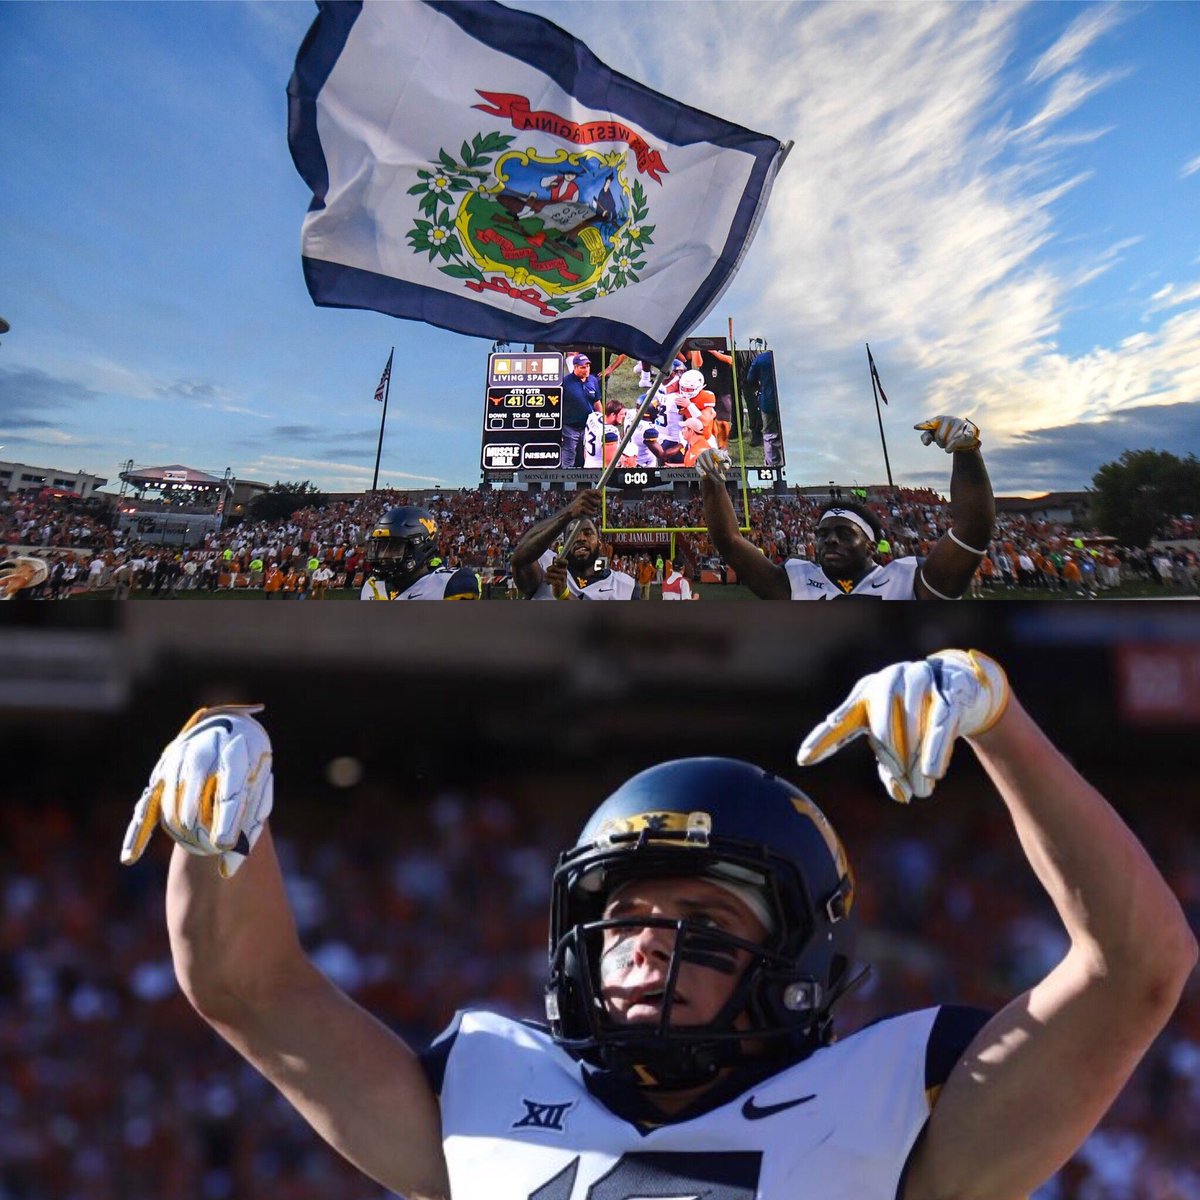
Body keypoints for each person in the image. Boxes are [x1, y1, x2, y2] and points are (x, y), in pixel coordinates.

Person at [119, 649, 1196, 1200]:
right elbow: (247, 988)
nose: (646, 936)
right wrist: (223, 830)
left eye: (703, 913)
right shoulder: (482, 1092)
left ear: (796, 953)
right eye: (626, 909)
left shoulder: (902, 1108)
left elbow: (1140, 967)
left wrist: (999, 722)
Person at [697, 415, 995, 599]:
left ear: (871, 544)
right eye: (823, 533)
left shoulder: (909, 580)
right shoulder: (795, 581)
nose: (831, 540)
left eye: (844, 532)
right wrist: (712, 481)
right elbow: (730, 542)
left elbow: (972, 532)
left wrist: (966, 452)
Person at [510, 488, 638, 600]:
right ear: (564, 544)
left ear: (600, 544)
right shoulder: (546, 565)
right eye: (573, 534)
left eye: (588, 533)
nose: (580, 538)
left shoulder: (624, 586)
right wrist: (569, 513)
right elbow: (519, 560)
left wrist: (564, 595)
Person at [360, 505, 480, 600]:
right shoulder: (372, 587)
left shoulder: (447, 584)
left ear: (420, 546)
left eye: (393, 548)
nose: (383, 556)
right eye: (380, 549)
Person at [561, 354, 602, 470]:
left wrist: (601, 421)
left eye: (588, 366)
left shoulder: (593, 380)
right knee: (569, 453)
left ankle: (587, 482)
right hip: (570, 426)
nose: (586, 369)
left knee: (590, 453)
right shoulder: (565, 382)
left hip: (588, 426)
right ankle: (564, 480)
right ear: (575, 367)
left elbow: (597, 402)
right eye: (583, 367)